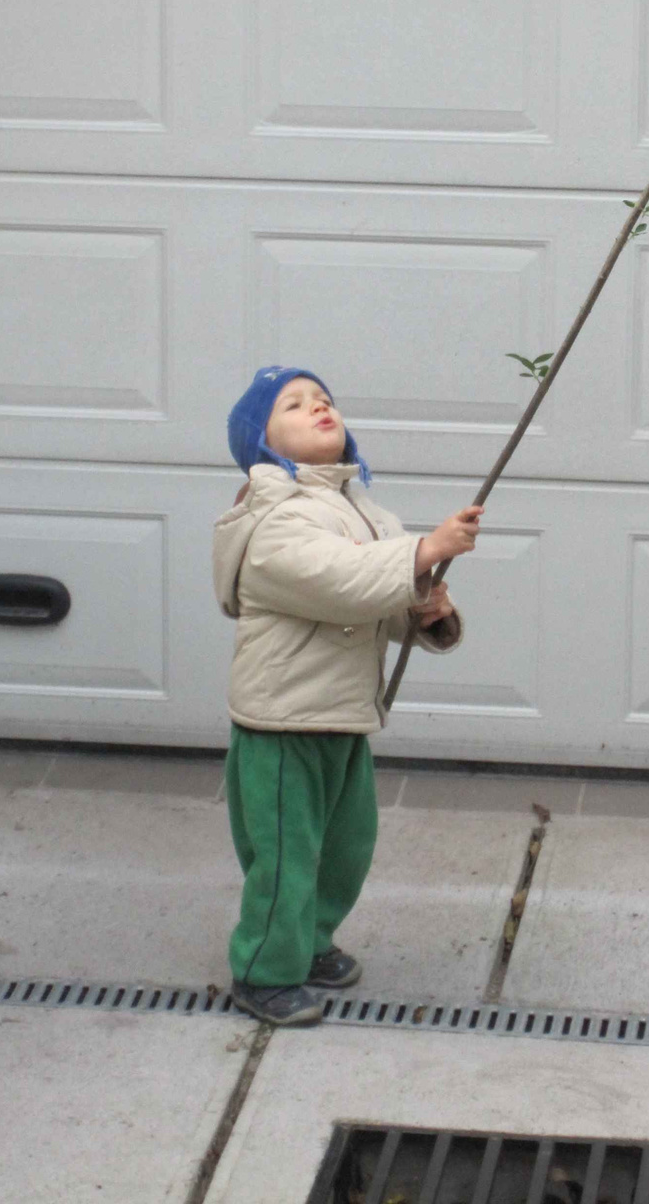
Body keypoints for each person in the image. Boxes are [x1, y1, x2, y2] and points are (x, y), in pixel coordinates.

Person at [212, 365, 482, 1026]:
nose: (319, 408)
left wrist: (423, 607)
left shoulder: (364, 510)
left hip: (340, 715)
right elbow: (336, 579)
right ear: (262, 442)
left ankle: (308, 942)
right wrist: (423, 551)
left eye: (324, 399)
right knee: (285, 853)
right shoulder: (271, 518)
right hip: (282, 722)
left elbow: (375, 603)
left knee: (343, 845)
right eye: (295, 405)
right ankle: (263, 970)